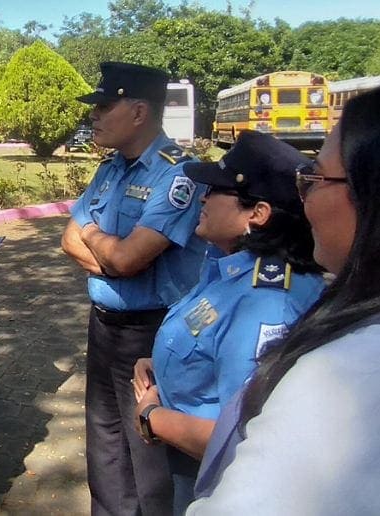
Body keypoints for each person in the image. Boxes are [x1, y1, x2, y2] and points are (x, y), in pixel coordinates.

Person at [186, 88, 380, 515]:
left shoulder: (345, 370)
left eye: (313, 179)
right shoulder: (221, 265)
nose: (303, 197)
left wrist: (153, 419)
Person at [131, 131, 325, 515]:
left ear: (257, 214)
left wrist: (152, 417)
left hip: (214, 480)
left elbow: (243, 436)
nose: (202, 197)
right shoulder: (229, 266)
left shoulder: (266, 301)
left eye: (216, 190)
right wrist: (165, 368)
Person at [60, 61, 207, 516]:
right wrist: (112, 259)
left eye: (105, 106)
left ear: (139, 112)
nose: (94, 116)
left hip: (150, 333)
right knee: (104, 441)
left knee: (149, 455)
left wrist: (101, 245)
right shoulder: (111, 170)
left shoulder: (177, 175)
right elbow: (69, 239)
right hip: (103, 326)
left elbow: (128, 258)